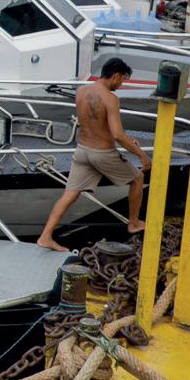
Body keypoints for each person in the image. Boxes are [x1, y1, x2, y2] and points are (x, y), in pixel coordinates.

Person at [36, 58, 151, 250]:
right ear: (116, 75)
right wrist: (142, 156)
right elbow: (117, 134)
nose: (121, 85)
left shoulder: (81, 91)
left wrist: (128, 138)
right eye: (122, 80)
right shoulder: (111, 99)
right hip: (103, 154)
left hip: (82, 151)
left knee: (70, 194)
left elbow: (95, 124)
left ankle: (45, 236)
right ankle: (134, 223)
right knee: (137, 178)